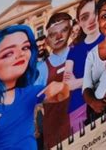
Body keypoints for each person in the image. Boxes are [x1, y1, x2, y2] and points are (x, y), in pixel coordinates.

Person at [63, 0, 104, 134]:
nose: (91, 20)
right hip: (77, 109)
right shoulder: (74, 49)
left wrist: (79, 82)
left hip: (104, 102)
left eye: (95, 13)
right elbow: (67, 84)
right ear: (80, 22)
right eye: (84, 17)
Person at [35, 12, 72, 149]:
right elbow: (36, 101)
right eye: (52, 35)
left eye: (63, 30)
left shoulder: (81, 54)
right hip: (56, 131)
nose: (58, 37)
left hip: (82, 121)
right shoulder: (42, 69)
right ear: (48, 40)